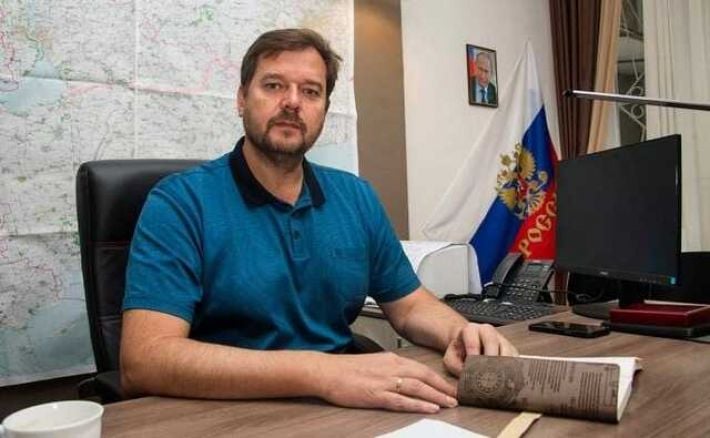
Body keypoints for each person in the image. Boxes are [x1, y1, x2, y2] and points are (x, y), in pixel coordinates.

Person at [120, 28, 516, 414]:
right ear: (241, 99)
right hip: (226, 414)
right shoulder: (180, 202)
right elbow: (145, 359)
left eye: (310, 91)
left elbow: (410, 306)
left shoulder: (356, 197)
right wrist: (321, 373)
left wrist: (460, 333)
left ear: (324, 108)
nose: (292, 102)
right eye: (273, 85)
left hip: (342, 407)